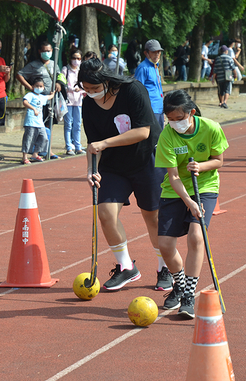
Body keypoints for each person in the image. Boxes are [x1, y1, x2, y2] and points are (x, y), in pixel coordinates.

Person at [78, 57, 172, 291]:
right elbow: (93, 143)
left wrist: (105, 143)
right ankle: (126, 267)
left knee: (152, 216)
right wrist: (91, 169)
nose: (91, 93)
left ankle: (164, 267)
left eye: (95, 89)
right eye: (86, 89)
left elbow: (142, 131)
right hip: (113, 165)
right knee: (106, 213)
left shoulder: (133, 90)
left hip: (146, 159)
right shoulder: (88, 104)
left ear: (107, 81)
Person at [155, 90, 228, 318]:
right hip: (176, 190)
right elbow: (173, 176)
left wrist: (201, 167)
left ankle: (188, 294)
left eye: (180, 118)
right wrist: (188, 202)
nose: (175, 124)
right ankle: (178, 284)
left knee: (196, 236)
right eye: (171, 120)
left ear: (191, 113)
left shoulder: (211, 128)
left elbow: (218, 161)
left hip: (204, 186)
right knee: (165, 245)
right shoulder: (166, 135)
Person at [16, 41, 61, 159]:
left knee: (49, 125)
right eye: (45, 51)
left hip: (49, 99)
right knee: (37, 128)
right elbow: (19, 74)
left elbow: (60, 76)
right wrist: (30, 87)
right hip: (37, 101)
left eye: (49, 51)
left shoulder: (54, 64)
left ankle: (48, 150)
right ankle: (37, 151)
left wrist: (59, 83)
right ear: (40, 51)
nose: (47, 53)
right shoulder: (34, 65)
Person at [21, 77, 54, 164]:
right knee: (29, 139)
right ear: (33, 86)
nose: (39, 88)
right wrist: (33, 109)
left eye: (41, 86)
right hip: (31, 121)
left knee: (44, 138)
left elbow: (49, 97)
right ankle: (25, 157)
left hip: (40, 123)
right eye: (37, 86)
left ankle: (35, 154)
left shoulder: (42, 97)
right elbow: (25, 102)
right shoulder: (30, 95)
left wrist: (53, 93)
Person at [134, 39, 165, 129]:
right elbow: (138, 90)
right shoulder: (143, 68)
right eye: (153, 52)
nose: (157, 54)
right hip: (150, 109)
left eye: (158, 52)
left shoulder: (155, 66)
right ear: (146, 53)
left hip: (159, 108)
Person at [61, 48, 85, 155]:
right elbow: (62, 84)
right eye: (74, 58)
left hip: (78, 101)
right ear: (70, 59)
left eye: (78, 58)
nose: (76, 60)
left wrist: (82, 91)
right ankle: (69, 147)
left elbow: (85, 85)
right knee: (68, 124)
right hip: (68, 101)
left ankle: (78, 146)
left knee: (78, 124)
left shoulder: (82, 70)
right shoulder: (65, 70)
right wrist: (72, 89)